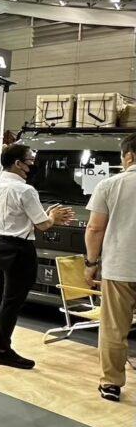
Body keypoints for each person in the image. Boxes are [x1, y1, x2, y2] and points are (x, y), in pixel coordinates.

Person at [0, 144, 75, 368]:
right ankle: (1, 350)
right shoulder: (25, 190)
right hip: (18, 249)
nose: (33, 165)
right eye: (30, 161)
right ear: (18, 163)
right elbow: (43, 224)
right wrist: (53, 216)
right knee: (12, 301)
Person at [84, 132, 136, 402]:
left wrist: (91, 263)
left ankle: (111, 384)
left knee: (115, 329)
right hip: (120, 267)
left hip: (119, 268)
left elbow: (95, 228)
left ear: (129, 156)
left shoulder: (110, 185)